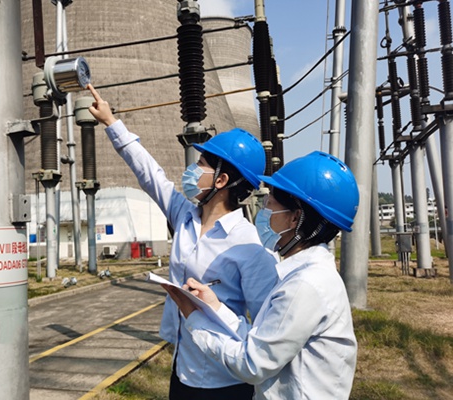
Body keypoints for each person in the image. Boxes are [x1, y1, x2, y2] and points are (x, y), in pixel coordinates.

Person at [87, 84, 278, 399]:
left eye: (202, 163)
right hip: (183, 370)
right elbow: (150, 175)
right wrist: (112, 123)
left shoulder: (249, 246)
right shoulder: (186, 216)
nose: (193, 169)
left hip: (225, 381)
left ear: (221, 180)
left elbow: (264, 328)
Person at [165, 151, 359, 399]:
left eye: (271, 202)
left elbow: (252, 363)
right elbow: (261, 338)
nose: (263, 209)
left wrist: (194, 318)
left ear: (295, 217)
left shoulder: (305, 286)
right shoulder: (300, 274)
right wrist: (215, 307)